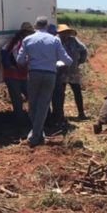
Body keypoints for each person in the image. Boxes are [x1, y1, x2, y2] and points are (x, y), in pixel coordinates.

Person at [15, 16, 73, 147]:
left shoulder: (27, 39)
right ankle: (38, 134)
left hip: (34, 74)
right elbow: (67, 59)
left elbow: (20, 61)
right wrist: (61, 64)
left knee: (33, 106)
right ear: (47, 27)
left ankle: (35, 136)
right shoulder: (55, 40)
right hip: (50, 75)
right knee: (43, 105)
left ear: (35, 26)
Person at [52, 25, 88, 122]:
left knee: (77, 92)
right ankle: (60, 115)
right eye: (64, 32)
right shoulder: (56, 41)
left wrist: (80, 60)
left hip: (73, 71)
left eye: (67, 32)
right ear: (59, 33)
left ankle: (81, 113)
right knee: (60, 94)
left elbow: (84, 49)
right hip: (60, 72)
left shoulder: (73, 40)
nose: (66, 34)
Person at [1, 23, 34, 124]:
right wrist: (9, 65)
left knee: (31, 95)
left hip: (22, 74)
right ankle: (20, 121)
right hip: (12, 74)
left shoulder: (27, 42)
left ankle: (30, 118)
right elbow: (4, 51)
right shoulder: (15, 42)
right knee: (17, 99)